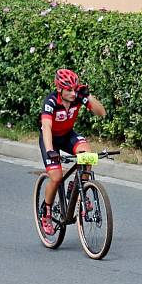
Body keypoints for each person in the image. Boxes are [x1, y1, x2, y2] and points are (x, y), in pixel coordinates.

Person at [39, 68, 106, 235]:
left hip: (67, 135)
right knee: (56, 177)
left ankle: (76, 189)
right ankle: (46, 212)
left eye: (75, 89)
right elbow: (46, 126)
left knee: (88, 157)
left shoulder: (78, 98)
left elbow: (101, 113)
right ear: (60, 89)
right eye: (69, 90)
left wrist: (88, 96)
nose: (73, 93)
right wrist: (49, 150)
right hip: (51, 138)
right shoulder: (51, 101)